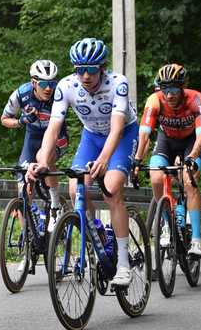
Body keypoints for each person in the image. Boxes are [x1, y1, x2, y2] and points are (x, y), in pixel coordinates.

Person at [26, 37, 138, 286]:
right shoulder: (66, 86)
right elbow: (52, 129)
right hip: (91, 137)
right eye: (79, 70)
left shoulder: (117, 83)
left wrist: (103, 160)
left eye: (90, 69)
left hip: (120, 137)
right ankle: (97, 234)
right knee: (76, 189)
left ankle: (122, 263)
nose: (85, 76)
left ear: (102, 67)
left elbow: (117, 129)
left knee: (111, 190)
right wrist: (43, 161)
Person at [132, 64, 201, 256]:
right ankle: (166, 223)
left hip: (191, 143)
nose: (169, 95)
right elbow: (145, 135)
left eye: (174, 90)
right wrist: (137, 160)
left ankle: (197, 239)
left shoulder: (196, 100)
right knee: (156, 177)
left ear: (183, 87)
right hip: (166, 141)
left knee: (188, 181)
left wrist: (191, 157)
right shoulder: (154, 100)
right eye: (165, 89)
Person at [0, 59, 68, 231]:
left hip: (56, 137)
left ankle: (55, 205)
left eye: (52, 83)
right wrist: (21, 121)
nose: (48, 88)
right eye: (44, 83)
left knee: (43, 157)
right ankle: (28, 239)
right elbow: (4, 120)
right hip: (32, 138)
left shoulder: (59, 95)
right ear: (33, 83)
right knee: (23, 189)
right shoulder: (21, 94)